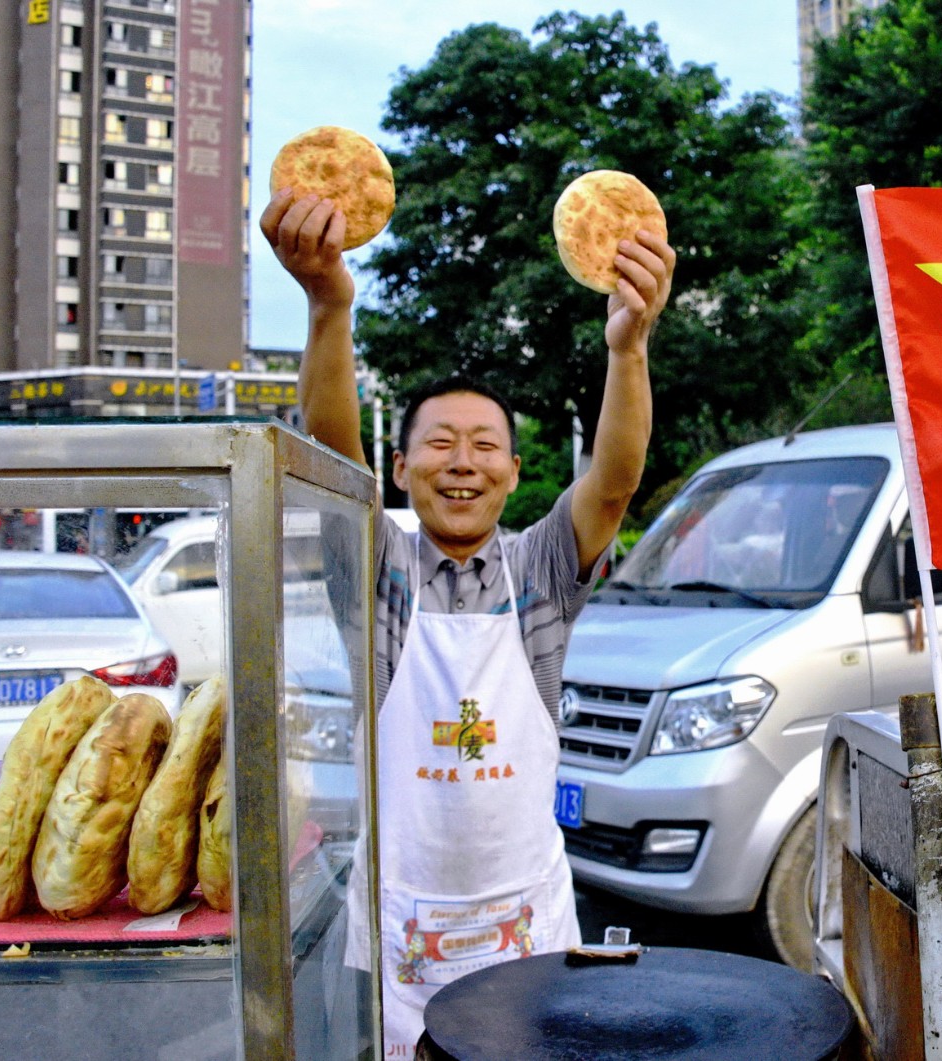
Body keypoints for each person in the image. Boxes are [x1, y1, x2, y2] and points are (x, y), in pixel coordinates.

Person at [259, 188, 675, 1055]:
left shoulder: (542, 573)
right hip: (408, 924)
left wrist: (628, 346)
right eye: (440, 443)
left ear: (515, 471)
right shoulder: (379, 573)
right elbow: (335, 456)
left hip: (528, 916)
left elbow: (615, 478)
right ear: (402, 466)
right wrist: (330, 304)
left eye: (484, 445)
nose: (463, 462)